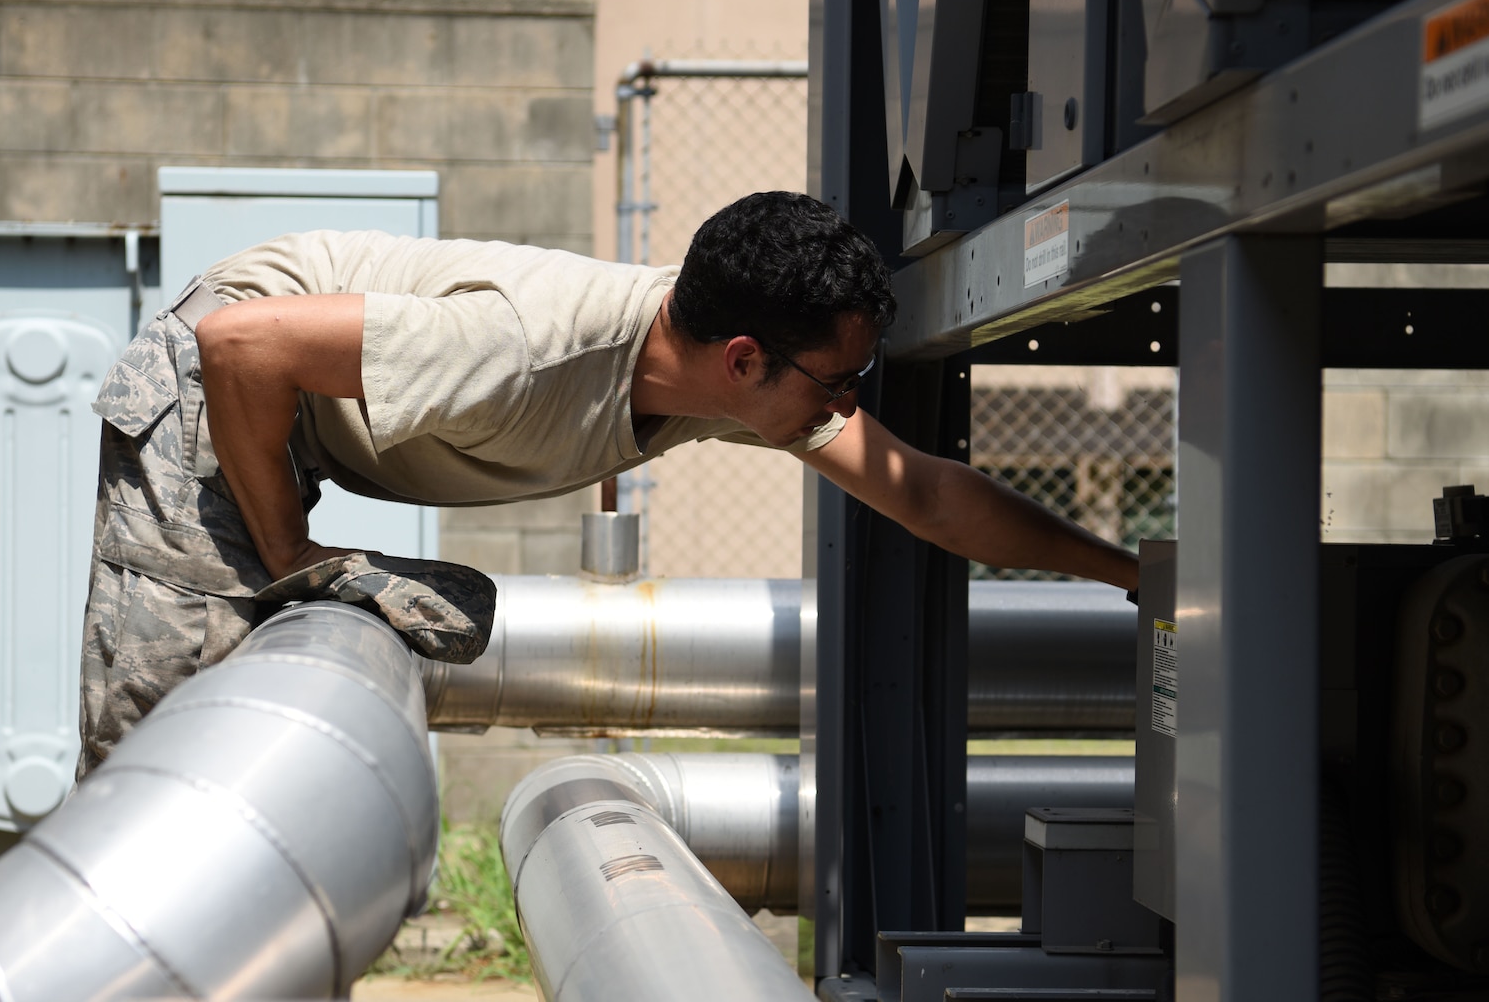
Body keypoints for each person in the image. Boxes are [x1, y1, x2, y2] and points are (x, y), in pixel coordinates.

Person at [78, 190, 1137, 776]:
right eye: (839, 378)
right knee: (171, 741)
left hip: (293, 400)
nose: (849, 406)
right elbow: (242, 345)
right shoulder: (524, 351)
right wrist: (288, 555)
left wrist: (1126, 571)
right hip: (210, 382)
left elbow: (928, 494)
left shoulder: (723, 389)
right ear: (742, 359)